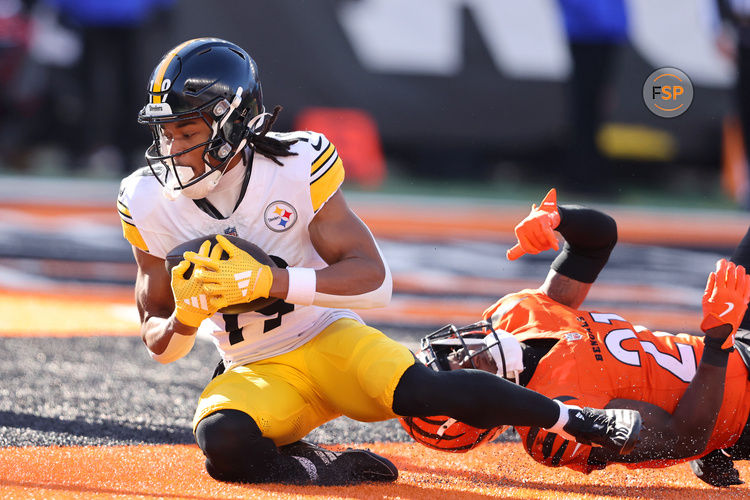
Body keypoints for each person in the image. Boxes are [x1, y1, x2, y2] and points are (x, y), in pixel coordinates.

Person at [116, 38, 643, 486]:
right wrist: (187, 317)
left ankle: (579, 421)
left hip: (328, 337)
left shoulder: (295, 165)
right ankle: (319, 466)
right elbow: (159, 341)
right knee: (222, 442)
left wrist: (270, 281)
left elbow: (375, 282)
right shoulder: (144, 200)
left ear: (233, 123)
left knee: (428, 390)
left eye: (187, 133)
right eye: (166, 133)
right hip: (252, 365)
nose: (173, 149)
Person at [400, 189, 750, 487]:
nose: (462, 354)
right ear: (477, 415)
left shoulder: (518, 313)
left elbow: (595, 243)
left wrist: (555, 218)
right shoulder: (557, 429)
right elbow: (683, 437)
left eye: (449, 352)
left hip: (735, 341)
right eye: (454, 368)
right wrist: (718, 342)